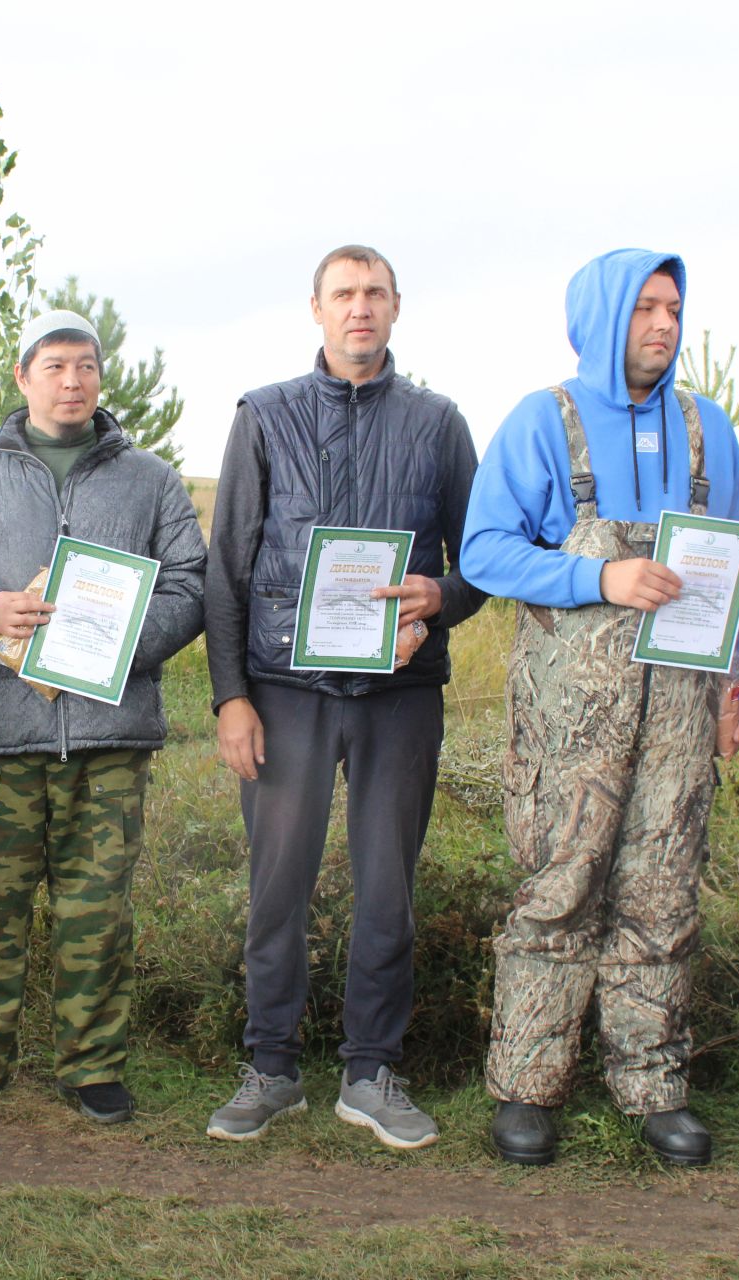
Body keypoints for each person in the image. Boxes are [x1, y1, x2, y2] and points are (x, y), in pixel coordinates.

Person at [461, 248, 739, 1168]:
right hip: (570, 719)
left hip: (681, 709)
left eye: (674, 309)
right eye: (645, 310)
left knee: (660, 890)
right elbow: (484, 551)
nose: (665, 326)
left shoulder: (707, 428)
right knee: (557, 892)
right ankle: (526, 1089)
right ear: (601, 319)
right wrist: (600, 573)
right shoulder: (542, 422)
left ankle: (654, 1088)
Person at [202, 246, 485, 1150]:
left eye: (375, 294)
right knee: (277, 884)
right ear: (316, 310)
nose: (359, 309)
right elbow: (225, 570)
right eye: (344, 295)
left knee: (386, 887)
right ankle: (271, 1065)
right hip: (285, 692)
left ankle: (372, 1071)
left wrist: (439, 602)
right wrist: (229, 700)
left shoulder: (439, 423)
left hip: (399, 694)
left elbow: (481, 560)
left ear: (397, 308)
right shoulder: (264, 416)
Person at [0, 308, 205, 1124]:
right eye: (54, 367)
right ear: (22, 378)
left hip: (108, 736)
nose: (72, 382)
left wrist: (119, 649)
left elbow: (189, 584)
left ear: (100, 380)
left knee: (97, 905)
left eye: (85, 367)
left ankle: (92, 1060)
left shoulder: (150, 479)